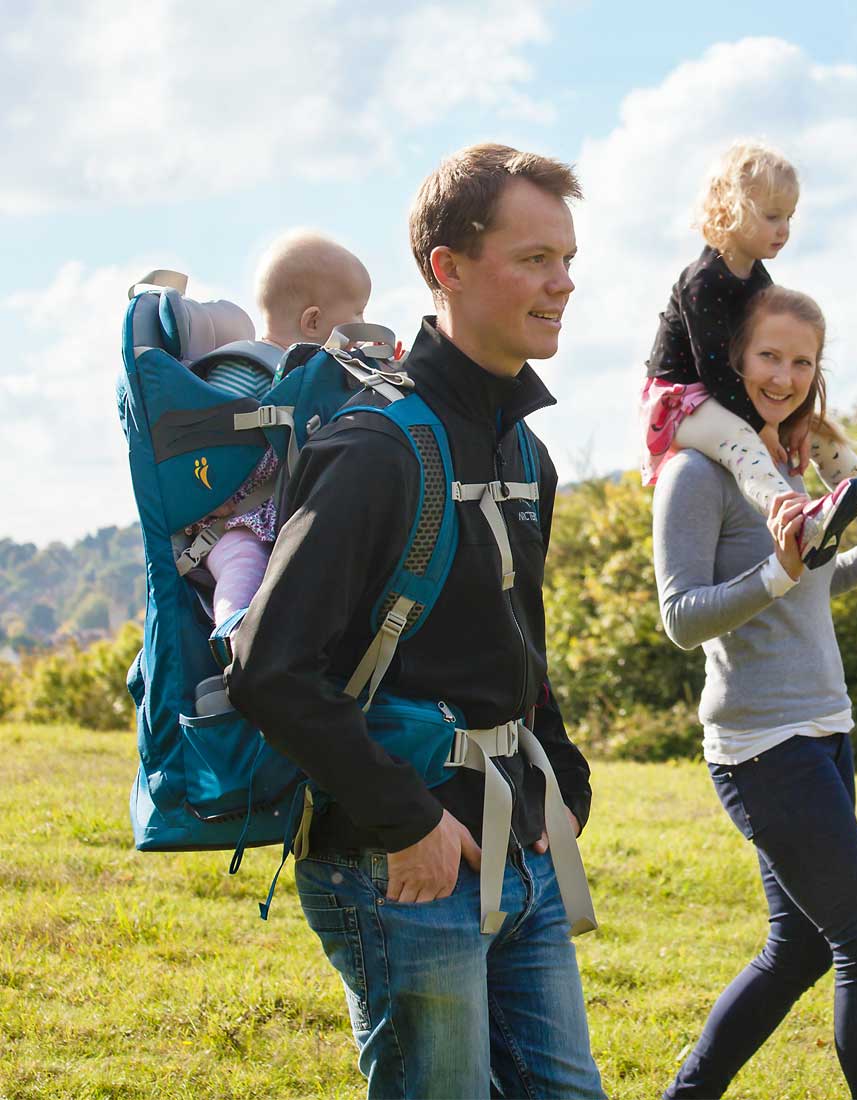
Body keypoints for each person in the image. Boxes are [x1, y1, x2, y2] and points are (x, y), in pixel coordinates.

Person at [227, 145, 604, 1099]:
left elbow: (521, 642)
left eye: (566, 259)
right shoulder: (373, 448)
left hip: (521, 848)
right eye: (533, 259)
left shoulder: (525, 449)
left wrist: (563, 779)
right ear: (448, 267)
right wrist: (407, 824)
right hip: (403, 869)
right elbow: (270, 668)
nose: (561, 283)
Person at [653, 286, 857, 1099]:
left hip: (826, 731)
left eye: (803, 361)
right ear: (733, 359)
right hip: (763, 749)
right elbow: (682, 618)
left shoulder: (787, 469)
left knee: (797, 947)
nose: (785, 375)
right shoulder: (696, 473)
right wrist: (778, 569)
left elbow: (801, 595)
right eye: (769, 356)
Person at [643, 139, 857, 570]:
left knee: (820, 433)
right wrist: (764, 424)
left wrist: (798, 417)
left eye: (789, 217)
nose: (784, 229)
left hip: (731, 396)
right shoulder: (703, 280)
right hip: (680, 401)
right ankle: (796, 519)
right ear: (731, 208)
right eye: (771, 217)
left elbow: (780, 354)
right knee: (742, 443)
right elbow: (713, 370)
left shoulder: (758, 280)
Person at [194, 231, 373, 625]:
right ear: (313, 321)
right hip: (234, 521)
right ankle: (232, 634)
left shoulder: (321, 383)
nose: (364, 324)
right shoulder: (249, 370)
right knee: (243, 564)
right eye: (357, 313)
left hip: (284, 521)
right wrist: (209, 496)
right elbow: (207, 439)